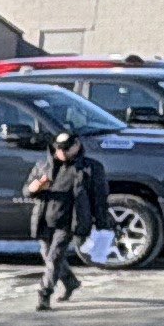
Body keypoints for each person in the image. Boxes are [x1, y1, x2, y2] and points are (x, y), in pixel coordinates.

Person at [25, 125, 109, 309]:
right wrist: (36, 187)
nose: (61, 153)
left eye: (66, 149)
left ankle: (44, 294)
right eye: (58, 149)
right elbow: (27, 191)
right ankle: (70, 282)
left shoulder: (90, 168)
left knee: (54, 256)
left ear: (76, 146)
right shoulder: (44, 166)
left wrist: (102, 223)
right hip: (45, 219)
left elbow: (99, 198)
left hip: (70, 221)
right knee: (48, 255)